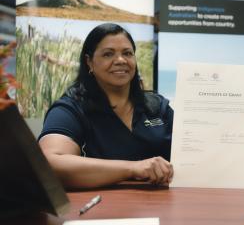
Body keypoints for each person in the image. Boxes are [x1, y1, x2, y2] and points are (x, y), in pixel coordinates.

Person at [38, 23, 174, 189]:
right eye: (108, 54)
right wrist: (133, 169)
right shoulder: (71, 109)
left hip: (163, 208)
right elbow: (49, 163)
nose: (121, 60)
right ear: (89, 62)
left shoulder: (157, 106)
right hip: (102, 209)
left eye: (127, 53)